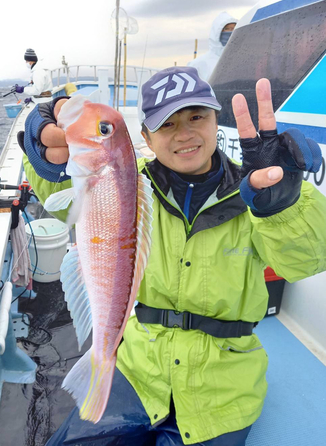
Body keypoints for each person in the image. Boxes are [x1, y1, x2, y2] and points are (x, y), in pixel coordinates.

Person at [21, 66, 326, 446]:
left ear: (217, 121)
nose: (184, 134)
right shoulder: (127, 179)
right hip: (138, 369)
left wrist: (283, 207)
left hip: (224, 385)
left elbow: (307, 261)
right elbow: (53, 184)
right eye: (167, 124)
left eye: (197, 116)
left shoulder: (260, 191)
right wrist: (42, 149)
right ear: (146, 136)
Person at [188, 12, 237, 81]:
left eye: (234, 29)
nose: (231, 32)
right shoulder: (197, 65)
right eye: (227, 29)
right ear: (216, 33)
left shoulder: (242, 60)